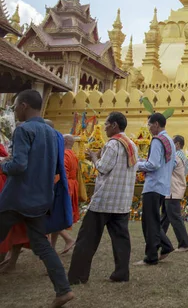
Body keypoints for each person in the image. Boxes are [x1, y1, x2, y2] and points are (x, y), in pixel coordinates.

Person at [0, 89, 74, 307]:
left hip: (17, 197)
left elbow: (20, 164)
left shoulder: (24, 130)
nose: (14, 112)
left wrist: (4, 165)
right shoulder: (53, 133)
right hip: (42, 198)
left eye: (15, 107)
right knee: (42, 245)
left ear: (24, 105)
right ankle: (63, 290)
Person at [68, 112, 138, 284]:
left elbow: (103, 168)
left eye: (106, 124)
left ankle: (77, 276)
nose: (104, 127)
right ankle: (121, 273)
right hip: (122, 201)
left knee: (87, 238)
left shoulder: (113, 144)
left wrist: (94, 157)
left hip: (105, 200)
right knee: (121, 239)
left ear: (114, 125)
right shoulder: (131, 145)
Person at [135, 113, 176, 265]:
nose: (149, 128)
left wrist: (137, 166)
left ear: (156, 124)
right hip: (163, 185)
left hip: (153, 185)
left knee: (149, 222)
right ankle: (165, 246)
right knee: (152, 220)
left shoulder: (158, 140)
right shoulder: (170, 141)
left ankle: (151, 256)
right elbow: (174, 164)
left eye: (150, 125)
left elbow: (153, 164)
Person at [0, 137, 30, 273]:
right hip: (9, 185)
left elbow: (14, 162)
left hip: (7, 186)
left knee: (16, 226)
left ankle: (11, 261)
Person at [161, 135, 188, 253]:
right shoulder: (183, 157)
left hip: (172, 191)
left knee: (174, 218)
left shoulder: (175, 156)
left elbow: (166, 168)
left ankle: (184, 243)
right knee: (165, 218)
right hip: (174, 189)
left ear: (177, 144)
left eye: (171, 143)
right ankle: (158, 240)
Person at [50, 134, 78, 255]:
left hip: (64, 187)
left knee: (54, 216)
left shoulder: (65, 154)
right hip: (71, 186)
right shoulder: (73, 154)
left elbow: (63, 174)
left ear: (65, 141)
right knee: (58, 215)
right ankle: (52, 246)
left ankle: (68, 239)